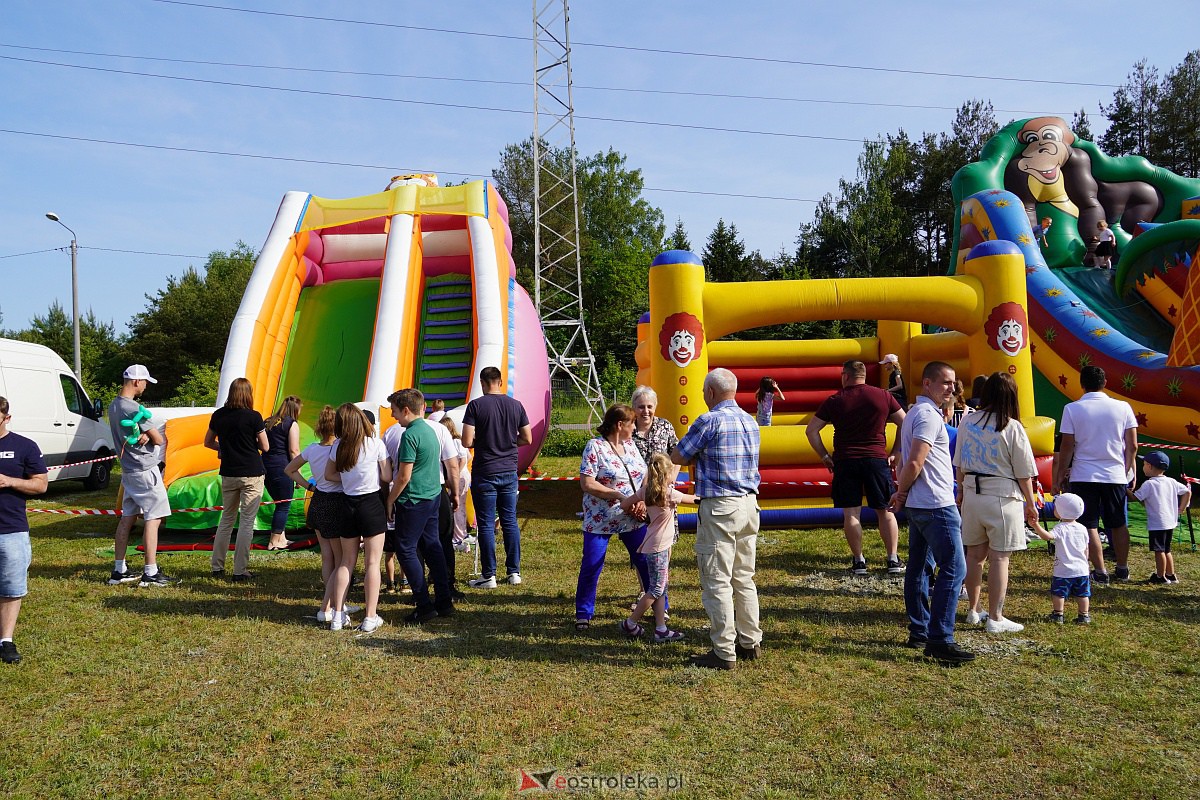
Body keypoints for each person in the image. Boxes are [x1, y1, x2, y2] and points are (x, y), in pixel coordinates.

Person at [671, 368, 762, 670]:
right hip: (749, 504)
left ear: (710, 392)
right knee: (744, 577)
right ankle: (750, 642)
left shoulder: (708, 421)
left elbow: (679, 456)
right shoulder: (750, 421)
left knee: (717, 580)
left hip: (720, 506)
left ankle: (723, 652)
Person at [888, 361, 974, 664]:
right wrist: (902, 492)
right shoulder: (926, 415)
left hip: (923, 504)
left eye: (953, 383)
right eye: (945, 383)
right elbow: (914, 461)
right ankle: (940, 638)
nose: (951, 388)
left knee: (919, 566)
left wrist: (904, 494)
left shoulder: (917, 412)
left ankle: (921, 631)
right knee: (954, 568)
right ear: (927, 383)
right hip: (936, 503)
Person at [953, 372, 1040, 634]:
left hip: (972, 493)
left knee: (975, 556)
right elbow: (1024, 472)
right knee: (1000, 558)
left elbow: (959, 462)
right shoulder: (1012, 426)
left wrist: (961, 491)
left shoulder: (967, 421)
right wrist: (1031, 502)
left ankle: (973, 610)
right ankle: (996, 616)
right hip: (1002, 496)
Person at [807, 360, 906, 576]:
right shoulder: (883, 395)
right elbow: (905, 423)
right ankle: (892, 559)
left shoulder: (835, 400)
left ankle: (859, 561)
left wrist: (824, 455)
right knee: (884, 510)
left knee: (851, 513)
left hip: (845, 459)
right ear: (863, 375)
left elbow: (811, 430)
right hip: (876, 459)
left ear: (845, 376)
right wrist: (896, 452)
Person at [1052, 365, 1138, 584]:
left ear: (1082, 384)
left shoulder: (1072, 408)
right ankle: (1122, 568)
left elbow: (1067, 446)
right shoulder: (1123, 407)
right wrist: (1127, 470)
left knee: (1089, 525)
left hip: (1084, 475)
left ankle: (1100, 571)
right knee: (1118, 523)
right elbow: (1133, 446)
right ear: (1105, 383)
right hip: (1115, 475)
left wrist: (1060, 474)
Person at [575, 404, 650, 631]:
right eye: (631, 423)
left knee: (646, 562)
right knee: (592, 564)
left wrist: (642, 501)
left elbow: (644, 477)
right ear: (620, 425)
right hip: (600, 519)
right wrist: (618, 496)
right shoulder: (594, 447)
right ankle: (583, 615)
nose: (635, 428)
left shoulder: (632, 446)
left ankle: (659, 607)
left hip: (634, 518)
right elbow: (587, 482)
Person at [384, 392, 462, 599]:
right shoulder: (434, 430)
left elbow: (403, 476)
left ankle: (423, 602)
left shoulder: (409, 435)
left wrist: (390, 500)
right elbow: (449, 464)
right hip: (433, 495)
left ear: (406, 410)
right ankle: (443, 599)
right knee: (434, 546)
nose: (393, 416)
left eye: (395, 411)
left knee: (406, 549)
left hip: (413, 499)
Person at [107, 365, 179, 587]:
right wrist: (150, 436)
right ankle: (151, 572)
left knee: (127, 518)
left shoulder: (113, 406)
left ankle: (119, 570)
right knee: (153, 518)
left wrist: (144, 436)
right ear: (136, 381)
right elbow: (158, 439)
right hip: (145, 470)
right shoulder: (134, 408)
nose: (146, 386)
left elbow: (135, 434)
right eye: (145, 381)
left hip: (128, 470)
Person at [461, 366, 532, 588]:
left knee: (486, 523)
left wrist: (482, 443)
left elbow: (466, 440)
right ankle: (514, 572)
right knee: (509, 520)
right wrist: (510, 444)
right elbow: (527, 438)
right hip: (509, 469)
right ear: (500, 382)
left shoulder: (476, 406)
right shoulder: (516, 405)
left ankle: (488, 574)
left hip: (485, 471)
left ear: (483, 383)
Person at [325, 404, 391, 632]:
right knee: (372, 562)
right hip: (371, 503)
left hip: (347, 503)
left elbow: (328, 474)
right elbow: (387, 475)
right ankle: (370, 616)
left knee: (345, 562)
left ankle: (337, 615)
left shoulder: (338, 446)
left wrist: (346, 479)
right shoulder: (375, 444)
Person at [283, 405, 350, 622]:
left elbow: (289, 469)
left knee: (327, 558)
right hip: (337, 502)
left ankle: (332, 603)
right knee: (341, 560)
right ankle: (331, 606)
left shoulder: (312, 449)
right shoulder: (340, 449)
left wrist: (308, 486)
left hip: (318, 500)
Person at [619, 453, 695, 643]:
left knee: (660, 586)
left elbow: (624, 504)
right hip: (660, 547)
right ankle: (630, 623)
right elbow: (693, 500)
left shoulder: (646, 491)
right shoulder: (669, 493)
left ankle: (661, 628)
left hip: (652, 542)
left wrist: (636, 510)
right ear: (667, 474)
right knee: (655, 589)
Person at [205, 377, 269, 582]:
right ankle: (240, 570)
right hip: (251, 472)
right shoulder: (254, 417)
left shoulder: (219, 415)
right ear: (248, 394)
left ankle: (217, 566)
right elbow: (265, 447)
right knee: (247, 522)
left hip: (229, 473)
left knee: (226, 519)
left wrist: (223, 448)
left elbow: (208, 442)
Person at [0, 397, 48, 664]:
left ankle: (5, 641)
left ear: (7, 417)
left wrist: (9, 481)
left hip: (10, 528)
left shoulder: (24, 446)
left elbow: (40, 485)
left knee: (10, 587)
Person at [1028, 493, 1092, 624]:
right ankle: (1084, 615)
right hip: (1082, 569)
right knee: (1083, 594)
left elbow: (1047, 537)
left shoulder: (1060, 528)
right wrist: (1085, 562)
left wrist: (1036, 526)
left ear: (1062, 511)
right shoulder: (1083, 528)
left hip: (1063, 570)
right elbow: (1086, 549)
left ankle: (1058, 615)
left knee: (1059, 593)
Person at [1128, 451, 1190, 584]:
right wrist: (1181, 508)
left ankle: (1160, 577)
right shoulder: (1171, 481)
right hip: (1170, 521)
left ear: (1150, 466)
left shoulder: (1149, 484)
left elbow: (1134, 497)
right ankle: (1171, 574)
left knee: (1159, 550)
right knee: (1167, 549)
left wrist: (1125, 489)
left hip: (1157, 523)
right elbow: (1187, 491)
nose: (1143, 467)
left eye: (1144, 464)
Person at [261, 395, 302, 551]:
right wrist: (296, 474)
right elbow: (294, 450)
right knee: (284, 505)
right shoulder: (291, 424)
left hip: (265, 466)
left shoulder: (268, 422)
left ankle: (281, 537)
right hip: (281, 466)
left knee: (278, 501)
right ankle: (274, 541)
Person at [440, 417, 473, 550]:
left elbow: (463, 460)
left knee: (456, 507)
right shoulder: (458, 441)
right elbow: (468, 457)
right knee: (461, 506)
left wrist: (455, 475)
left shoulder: (454, 442)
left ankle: (458, 538)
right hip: (464, 476)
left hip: (460, 477)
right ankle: (462, 534)